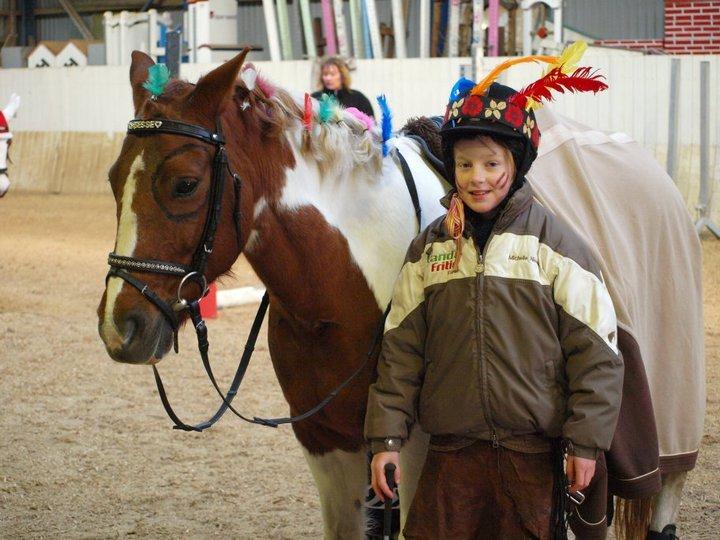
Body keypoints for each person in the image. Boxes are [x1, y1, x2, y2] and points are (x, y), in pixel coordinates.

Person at [365, 50, 623, 539]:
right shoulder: (430, 250)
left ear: (517, 162)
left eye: (490, 162)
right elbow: (400, 349)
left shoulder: (556, 246)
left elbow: (597, 352)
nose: (476, 177)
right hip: (451, 455)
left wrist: (586, 443)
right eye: (464, 164)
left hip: (531, 456)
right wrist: (386, 438)